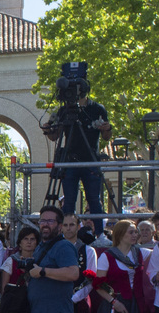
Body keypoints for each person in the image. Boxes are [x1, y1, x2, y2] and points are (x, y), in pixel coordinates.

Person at [42, 78, 112, 234]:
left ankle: (99, 234)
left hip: (90, 160)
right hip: (70, 161)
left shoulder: (97, 109)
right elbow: (55, 137)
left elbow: (106, 136)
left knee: (94, 200)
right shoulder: (64, 110)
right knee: (68, 202)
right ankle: (67, 233)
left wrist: (107, 128)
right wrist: (48, 130)